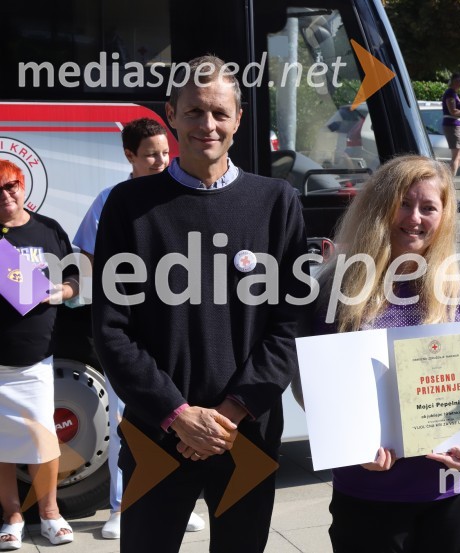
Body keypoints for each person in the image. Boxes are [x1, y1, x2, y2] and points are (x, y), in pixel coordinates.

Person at [91, 55, 309, 553]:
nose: (206, 125)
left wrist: (230, 413)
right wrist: (177, 414)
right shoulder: (129, 207)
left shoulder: (277, 203)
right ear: (171, 114)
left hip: (246, 435)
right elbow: (111, 328)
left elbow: (289, 322)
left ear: (238, 118)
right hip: (155, 435)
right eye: (193, 111)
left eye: (218, 112)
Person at [304, 155, 460, 552]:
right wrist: (352, 446)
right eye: (403, 203)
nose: (414, 217)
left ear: (443, 216)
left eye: (428, 207)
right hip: (369, 489)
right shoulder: (336, 290)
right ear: (379, 207)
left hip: (450, 489)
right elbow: (310, 387)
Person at [72, 118, 205, 539]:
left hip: (176, 333)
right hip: (129, 336)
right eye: (151, 154)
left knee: (182, 416)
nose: (161, 160)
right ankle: (121, 505)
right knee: (129, 420)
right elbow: (90, 259)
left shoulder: (184, 191)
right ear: (129, 156)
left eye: (165, 152)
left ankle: (182, 502)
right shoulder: (112, 200)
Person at [0, 159, 79, 549]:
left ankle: (50, 513)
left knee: (44, 440)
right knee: (2, 445)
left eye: (10, 185)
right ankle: (12, 516)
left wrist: (64, 291)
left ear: (23, 186)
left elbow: (75, 274)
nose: (5, 194)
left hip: (37, 358)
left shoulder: (47, 229)